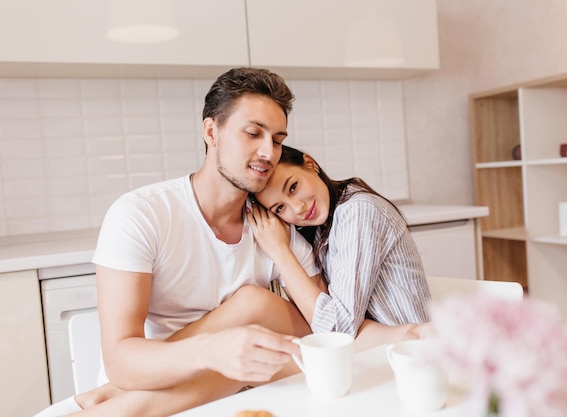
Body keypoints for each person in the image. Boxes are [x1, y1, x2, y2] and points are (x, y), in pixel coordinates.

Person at [34, 68, 319, 417]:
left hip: (235, 395)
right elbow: (121, 362)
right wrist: (215, 352)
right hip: (145, 387)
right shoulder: (141, 214)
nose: (268, 152)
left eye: (276, 139)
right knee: (253, 308)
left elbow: (322, 329)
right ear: (211, 131)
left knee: (255, 305)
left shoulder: (272, 226)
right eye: (252, 133)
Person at [247, 145, 432, 349]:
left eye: (293, 187)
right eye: (280, 208)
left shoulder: (357, 211)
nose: (298, 208)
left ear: (310, 164)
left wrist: (279, 252)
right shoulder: (321, 231)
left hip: (411, 356)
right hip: (378, 355)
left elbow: (338, 332)